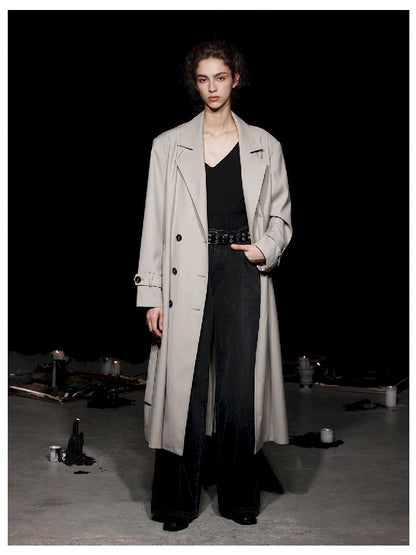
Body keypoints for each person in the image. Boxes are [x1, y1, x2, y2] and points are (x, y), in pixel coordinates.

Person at [134, 40, 292, 532]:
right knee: (185, 383)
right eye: (203, 80)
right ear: (195, 84)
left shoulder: (265, 144)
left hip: (242, 267)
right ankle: (176, 503)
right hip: (185, 269)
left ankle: (240, 497)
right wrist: (151, 294)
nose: (212, 88)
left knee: (239, 385)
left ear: (235, 79)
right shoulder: (168, 145)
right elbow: (154, 224)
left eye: (220, 78)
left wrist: (264, 248)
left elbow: (281, 216)